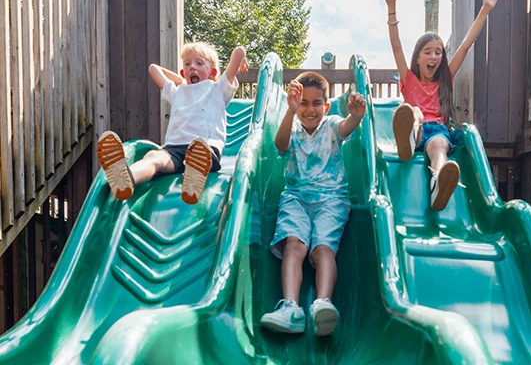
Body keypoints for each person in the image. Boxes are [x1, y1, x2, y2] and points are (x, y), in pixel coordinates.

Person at [381, 0, 502, 211]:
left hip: (436, 130)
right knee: (412, 111)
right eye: (427, 51)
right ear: (417, 58)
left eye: (438, 52)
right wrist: (392, 6)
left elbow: (466, 45)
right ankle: (406, 138)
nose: (434, 56)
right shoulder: (409, 78)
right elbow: (395, 44)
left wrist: (485, 10)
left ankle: (438, 183)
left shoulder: (445, 78)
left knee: (439, 146)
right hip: (414, 127)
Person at [260, 72, 366, 336]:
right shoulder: (292, 128)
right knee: (293, 246)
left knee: (322, 250)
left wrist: (356, 116)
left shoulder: (331, 125)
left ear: (326, 106)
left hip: (332, 200)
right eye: (303, 103)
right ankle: (291, 308)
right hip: (296, 198)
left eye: (316, 103)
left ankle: (322, 304)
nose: (309, 109)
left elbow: (346, 127)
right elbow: (280, 145)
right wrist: (290, 111)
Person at [96, 42, 248, 204]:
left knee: (200, 155)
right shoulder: (178, 92)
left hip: (204, 148)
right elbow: (154, 69)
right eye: (187, 64)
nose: (192, 68)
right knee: (153, 157)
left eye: (199, 63)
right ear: (183, 72)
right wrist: (182, 79)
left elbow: (238, 51)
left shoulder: (218, 89)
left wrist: (242, 57)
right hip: (174, 148)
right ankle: (126, 179)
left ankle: (193, 181)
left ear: (213, 72)